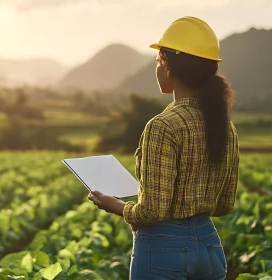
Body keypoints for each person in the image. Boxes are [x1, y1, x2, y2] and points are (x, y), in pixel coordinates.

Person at [87, 16, 239, 280]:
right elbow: (225, 204)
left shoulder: (162, 126)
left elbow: (151, 212)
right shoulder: (226, 126)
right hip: (209, 246)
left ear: (167, 66)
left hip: (163, 251)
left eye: (159, 61)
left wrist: (116, 205)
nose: (157, 68)